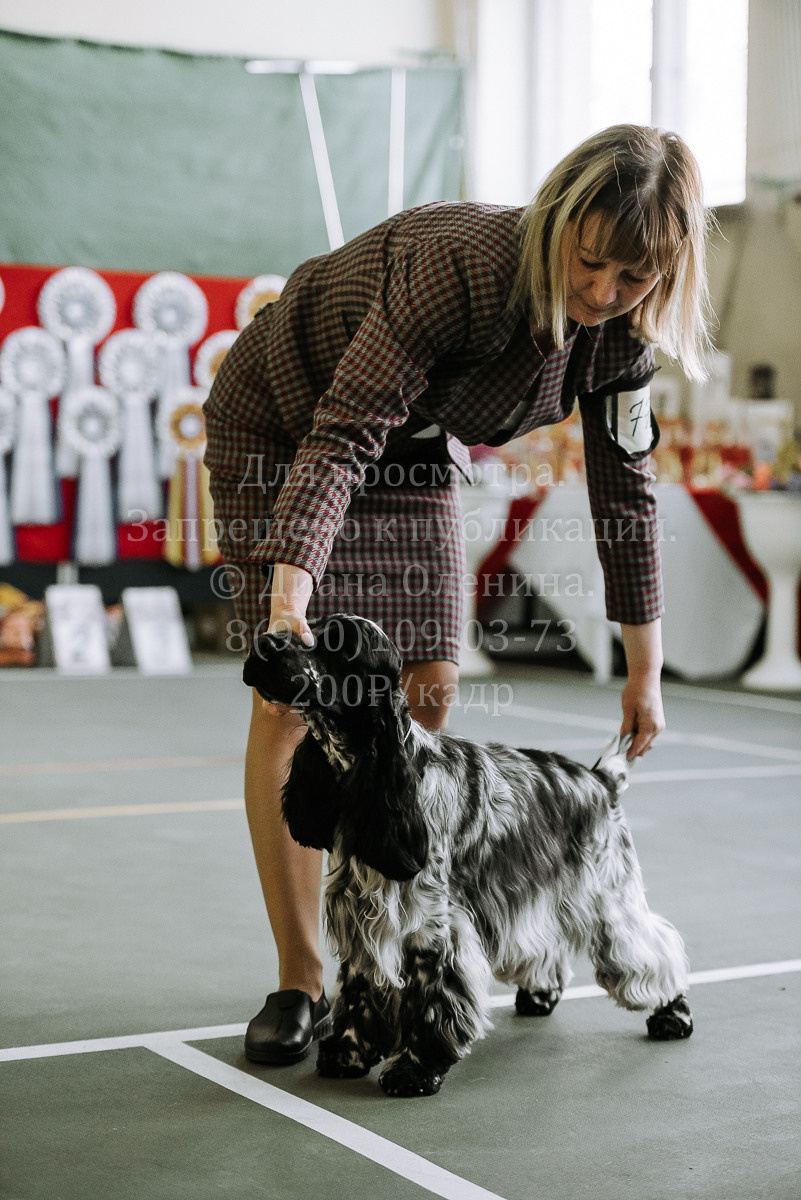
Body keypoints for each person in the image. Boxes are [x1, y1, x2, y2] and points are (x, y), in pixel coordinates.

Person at [203, 123, 712, 1065]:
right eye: (590, 262)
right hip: (283, 423)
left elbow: (624, 497)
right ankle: (303, 977)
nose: (603, 294)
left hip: (411, 447)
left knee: (424, 689)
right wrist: (288, 612)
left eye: (634, 280)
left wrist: (644, 671)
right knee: (294, 707)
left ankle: (425, 935)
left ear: (668, 273)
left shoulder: (619, 340)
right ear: (557, 217)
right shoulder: (461, 264)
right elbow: (341, 435)